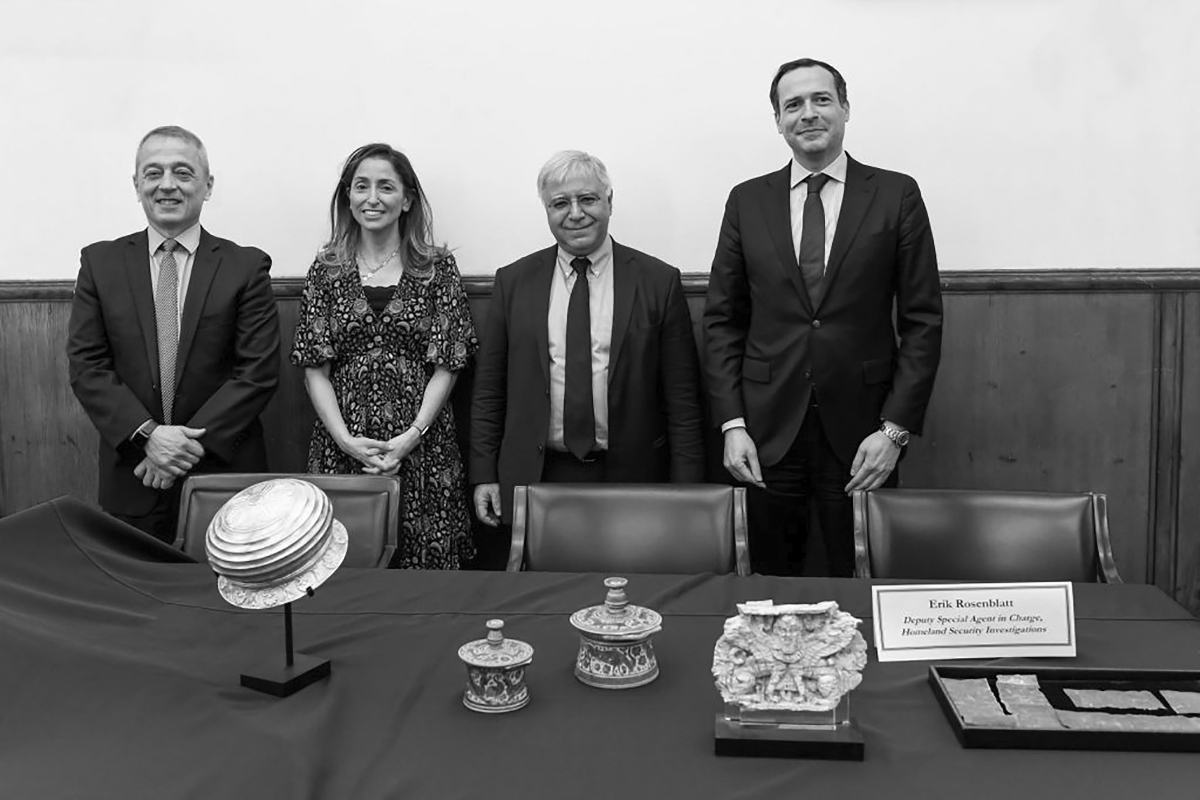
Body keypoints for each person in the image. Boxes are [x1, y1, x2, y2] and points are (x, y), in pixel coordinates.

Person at [703, 58, 943, 576]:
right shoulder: (746, 201)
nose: (808, 113)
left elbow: (923, 320)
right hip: (764, 434)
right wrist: (732, 424)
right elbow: (722, 320)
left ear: (845, 108)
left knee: (859, 581)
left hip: (864, 436)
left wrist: (895, 432)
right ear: (778, 120)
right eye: (793, 104)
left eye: (821, 99)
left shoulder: (896, 194)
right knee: (764, 586)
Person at [67, 125, 281, 542]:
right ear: (137, 184)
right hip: (134, 475)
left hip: (224, 478)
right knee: (140, 600)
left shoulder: (246, 267)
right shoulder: (99, 263)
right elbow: (88, 366)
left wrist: (179, 450)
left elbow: (256, 373)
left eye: (183, 173)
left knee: (227, 602)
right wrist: (148, 437)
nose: (168, 185)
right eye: (153, 173)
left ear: (207, 185)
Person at [471, 150, 704, 530]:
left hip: (633, 476)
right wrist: (484, 473)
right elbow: (489, 391)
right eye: (560, 203)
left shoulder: (658, 281)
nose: (575, 213)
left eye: (588, 199)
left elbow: (683, 401)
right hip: (537, 475)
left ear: (610, 201)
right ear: (546, 210)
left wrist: (689, 492)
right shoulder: (514, 282)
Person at [291, 143, 477, 569]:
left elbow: (448, 365)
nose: (372, 198)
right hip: (343, 448)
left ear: (407, 198)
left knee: (426, 576)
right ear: (347, 196)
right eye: (361, 187)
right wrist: (345, 441)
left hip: (424, 448)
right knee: (343, 571)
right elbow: (313, 368)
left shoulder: (437, 267)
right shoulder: (326, 269)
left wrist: (411, 436)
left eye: (386, 187)